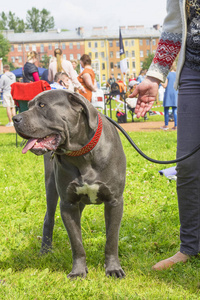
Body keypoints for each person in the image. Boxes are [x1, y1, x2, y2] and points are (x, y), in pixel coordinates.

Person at [130, 0, 200, 270]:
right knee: (188, 164)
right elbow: (173, 29)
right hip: (193, 72)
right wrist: (155, 77)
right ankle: (190, 246)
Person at [160, 64, 178, 130]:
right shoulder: (177, 74)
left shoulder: (168, 75)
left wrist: (161, 83)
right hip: (175, 93)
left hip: (168, 94)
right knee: (175, 110)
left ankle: (166, 125)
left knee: (166, 110)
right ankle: (176, 125)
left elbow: (165, 85)